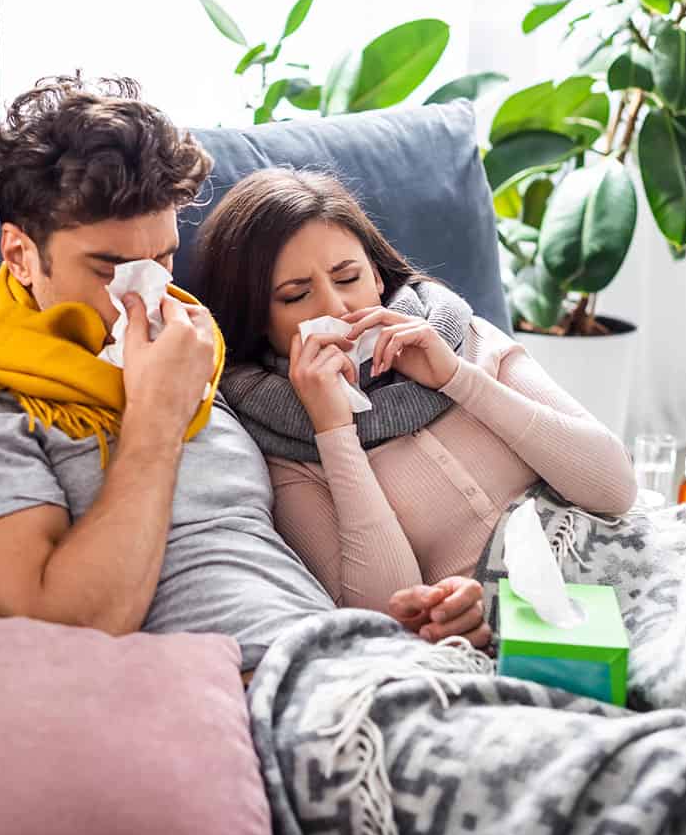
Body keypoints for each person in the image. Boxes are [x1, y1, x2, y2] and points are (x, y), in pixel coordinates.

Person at [0, 75, 493, 676]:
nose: (148, 296)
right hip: (239, 695)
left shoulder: (199, 350)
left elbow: (281, 562)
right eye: (109, 269)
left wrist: (414, 620)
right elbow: (60, 633)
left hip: (352, 656)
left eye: (164, 260)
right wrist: (154, 417)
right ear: (21, 255)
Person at [192, 167, 638, 615]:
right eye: (295, 295)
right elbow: (387, 611)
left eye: (347, 278)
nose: (336, 307)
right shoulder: (278, 443)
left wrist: (457, 378)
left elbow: (616, 489)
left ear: (377, 277)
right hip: (506, 626)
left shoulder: (462, 335)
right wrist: (333, 431)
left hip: (624, 562)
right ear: (257, 318)